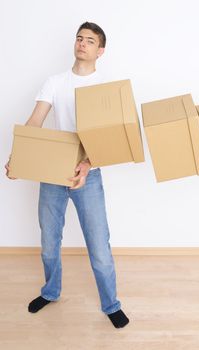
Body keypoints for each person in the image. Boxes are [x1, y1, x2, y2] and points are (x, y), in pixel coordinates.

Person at [5, 21, 129, 329]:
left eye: (89, 40)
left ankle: (110, 303)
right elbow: (35, 121)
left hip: (89, 174)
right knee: (49, 241)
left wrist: (87, 164)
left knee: (99, 245)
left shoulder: (105, 88)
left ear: (100, 51)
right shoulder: (55, 82)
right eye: (79, 38)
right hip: (53, 172)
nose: (82, 43)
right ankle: (50, 292)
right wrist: (19, 158)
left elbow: (109, 138)